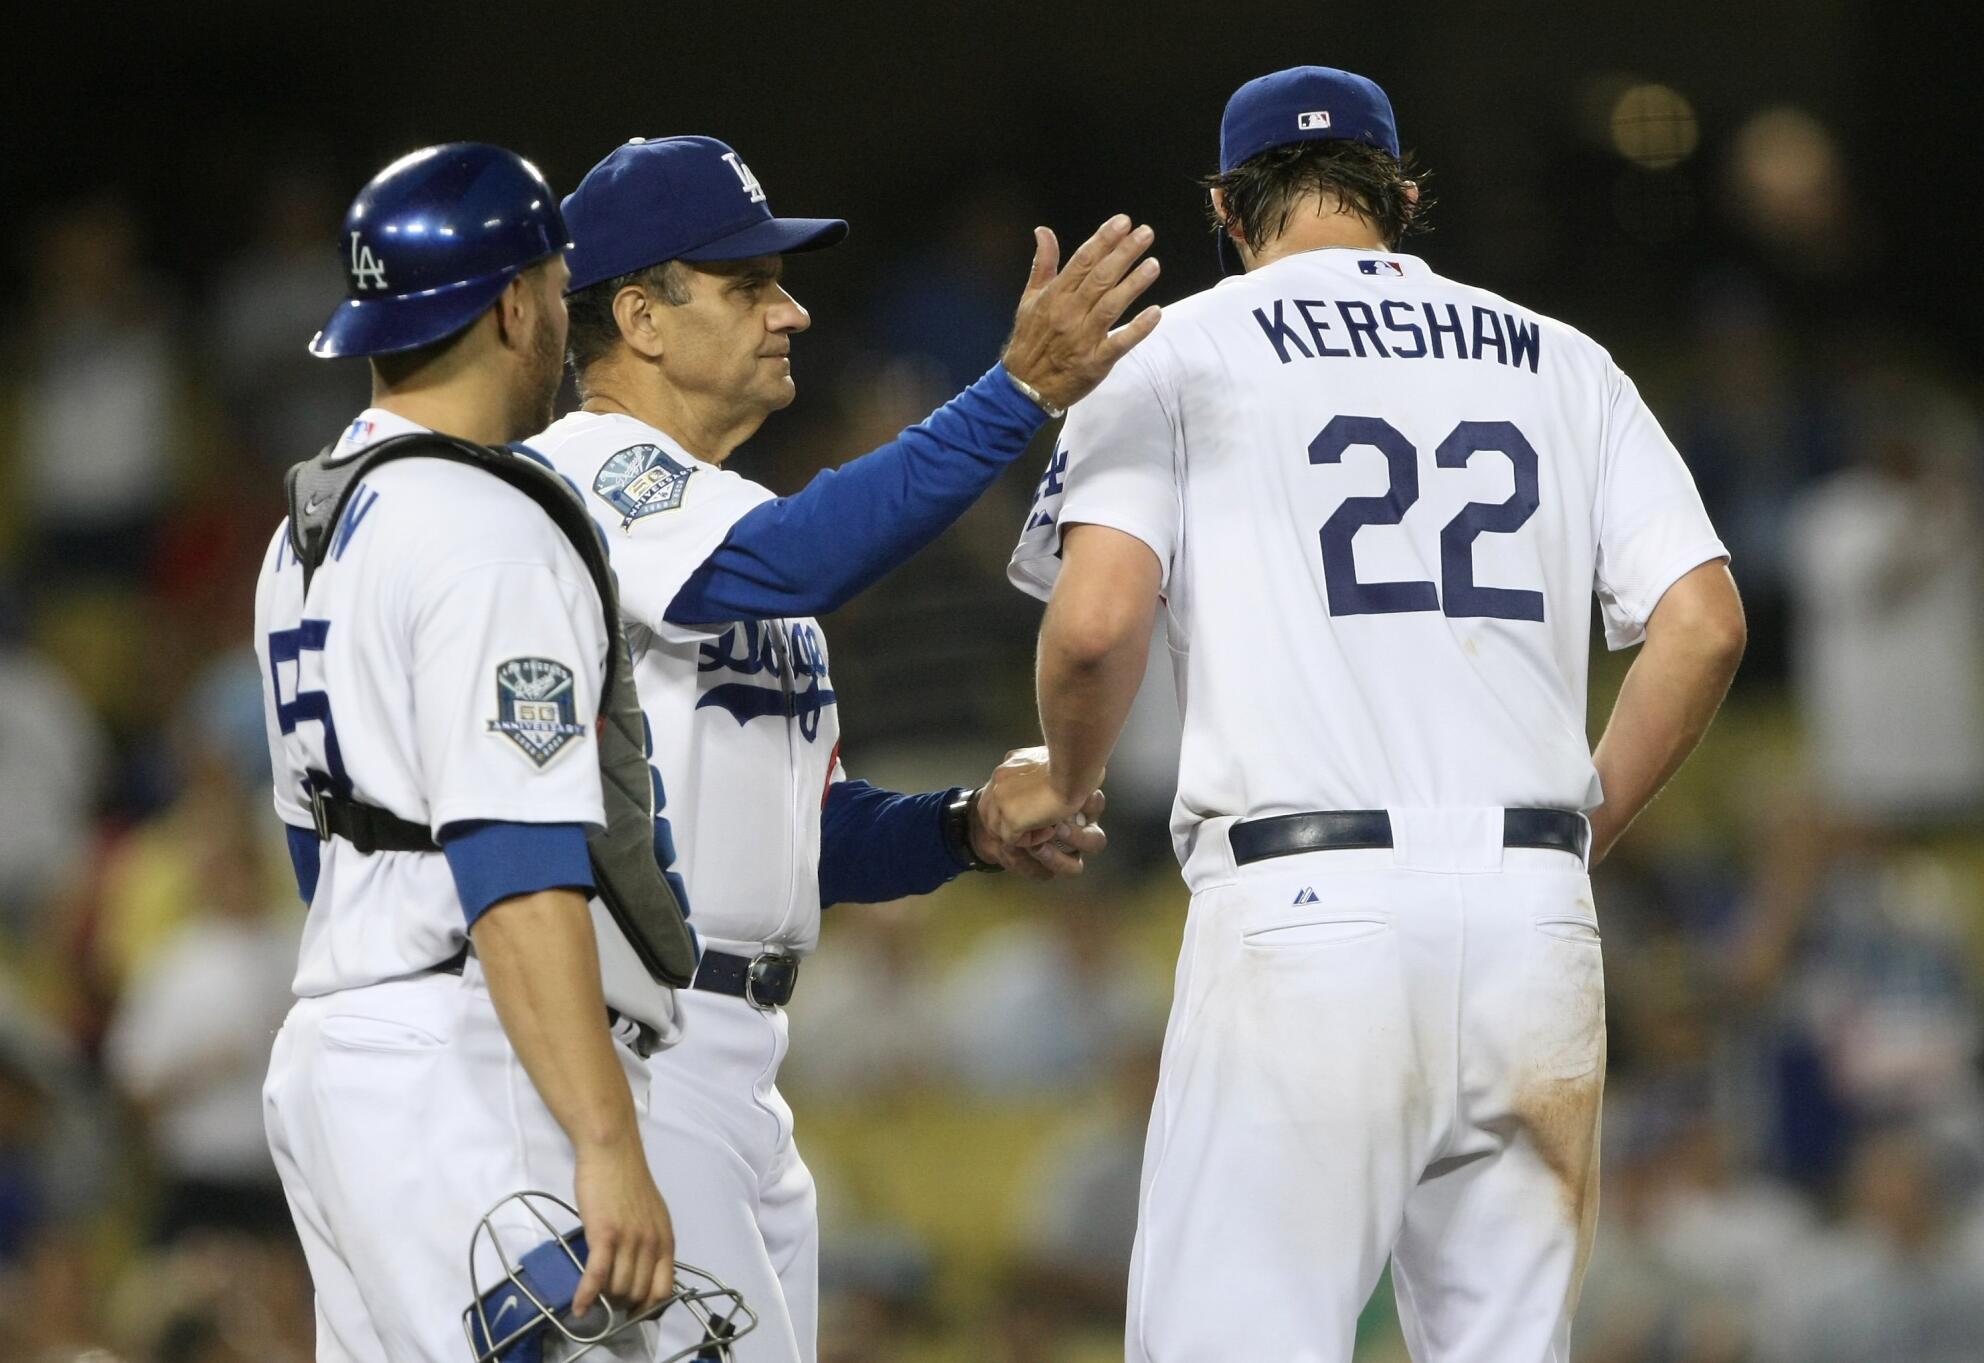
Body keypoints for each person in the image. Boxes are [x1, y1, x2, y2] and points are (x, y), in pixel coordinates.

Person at [986, 66, 1748, 1361]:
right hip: (1532, 923)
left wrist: (1063, 777)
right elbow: (1708, 619)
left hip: (1307, 907)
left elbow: (1100, 621)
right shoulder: (1562, 356)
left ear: (1229, 206)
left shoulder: (1180, 348)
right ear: (1401, 195)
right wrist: (1580, 828)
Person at [524, 134, 1159, 1362]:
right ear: (641, 317)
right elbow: (800, 559)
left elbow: (796, 839)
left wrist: (958, 826)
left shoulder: (719, 520)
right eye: (748, 284)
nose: (792, 310)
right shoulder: (581, 480)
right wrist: (1013, 392)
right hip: (634, 1057)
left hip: (737, 1064)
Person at [254, 143, 688, 1362]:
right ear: (511, 304)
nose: (562, 308)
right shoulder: (484, 528)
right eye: (555, 284)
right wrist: (605, 1143)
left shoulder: (309, 525)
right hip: (465, 1071)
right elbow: (510, 852)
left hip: (342, 1057)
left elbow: (312, 841)